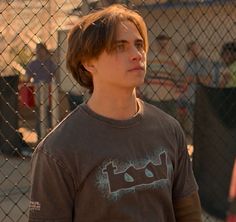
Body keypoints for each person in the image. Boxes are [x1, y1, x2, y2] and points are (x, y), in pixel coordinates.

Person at [28, 4, 202, 222]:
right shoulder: (58, 151)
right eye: (120, 46)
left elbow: (188, 212)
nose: (137, 55)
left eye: (139, 45)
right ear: (89, 62)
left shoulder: (168, 129)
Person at [140, 34, 184, 119]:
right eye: (160, 43)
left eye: (165, 44)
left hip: (170, 99)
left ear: (169, 44)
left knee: (169, 126)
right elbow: (143, 76)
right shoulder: (149, 58)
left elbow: (181, 78)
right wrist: (145, 91)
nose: (163, 46)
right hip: (152, 98)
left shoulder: (174, 59)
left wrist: (176, 95)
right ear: (156, 44)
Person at [177, 41, 212, 142]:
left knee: (203, 124)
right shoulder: (187, 64)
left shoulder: (205, 62)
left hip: (203, 98)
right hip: (190, 99)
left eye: (196, 49)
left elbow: (207, 80)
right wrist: (195, 79)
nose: (194, 52)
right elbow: (185, 80)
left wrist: (192, 79)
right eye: (192, 50)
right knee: (192, 125)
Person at [25, 42, 57, 139]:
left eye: (41, 50)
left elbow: (56, 76)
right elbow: (27, 78)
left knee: (49, 112)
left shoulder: (50, 63)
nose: (39, 52)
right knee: (39, 113)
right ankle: (40, 135)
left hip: (49, 90)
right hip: (37, 89)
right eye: (37, 50)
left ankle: (49, 134)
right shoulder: (33, 64)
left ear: (45, 50)